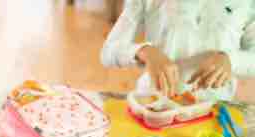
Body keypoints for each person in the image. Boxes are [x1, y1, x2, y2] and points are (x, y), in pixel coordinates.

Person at [101, 0, 255, 99]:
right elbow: (108, 51)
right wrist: (144, 51)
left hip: (215, 111)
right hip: (153, 103)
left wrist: (231, 60)